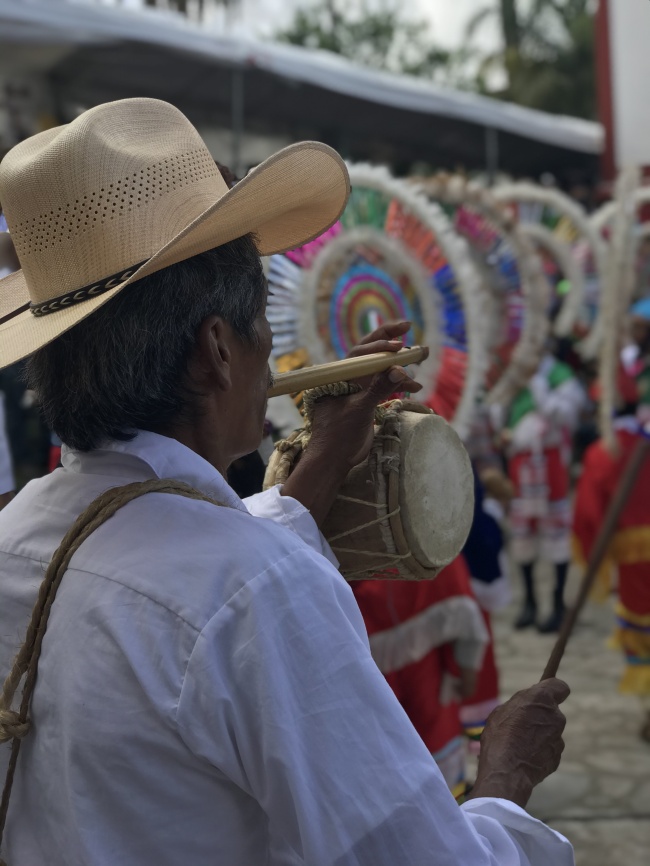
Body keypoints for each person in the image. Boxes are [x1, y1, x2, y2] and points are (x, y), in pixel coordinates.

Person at [0, 98, 573, 865]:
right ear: (218, 352)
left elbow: (181, 574)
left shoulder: (18, 534)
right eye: (261, 328)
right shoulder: (257, 595)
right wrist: (504, 778)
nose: (273, 353)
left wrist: (329, 450)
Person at [502, 351, 586, 633]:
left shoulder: (559, 377)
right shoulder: (513, 373)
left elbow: (566, 417)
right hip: (521, 467)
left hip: (550, 468)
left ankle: (558, 604)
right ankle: (530, 603)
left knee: (556, 536)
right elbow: (500, 414)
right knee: (523, 536)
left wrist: (537, 385)